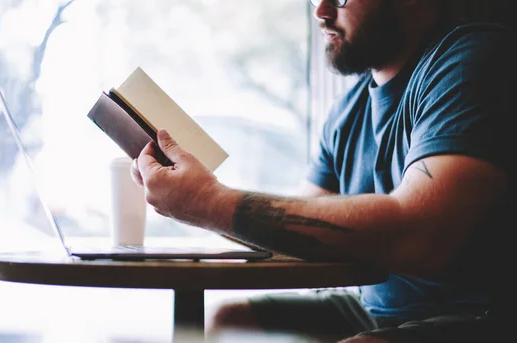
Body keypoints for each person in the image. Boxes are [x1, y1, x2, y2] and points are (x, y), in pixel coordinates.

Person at [131, 0, 516, 342]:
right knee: (231, 321)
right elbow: (298, 226)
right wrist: (190, 199)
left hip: (477, 315)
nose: (321, 11)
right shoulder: (348, 110)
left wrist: (206, 201)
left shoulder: (472, 60)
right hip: (376, 308)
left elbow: (421, 234)